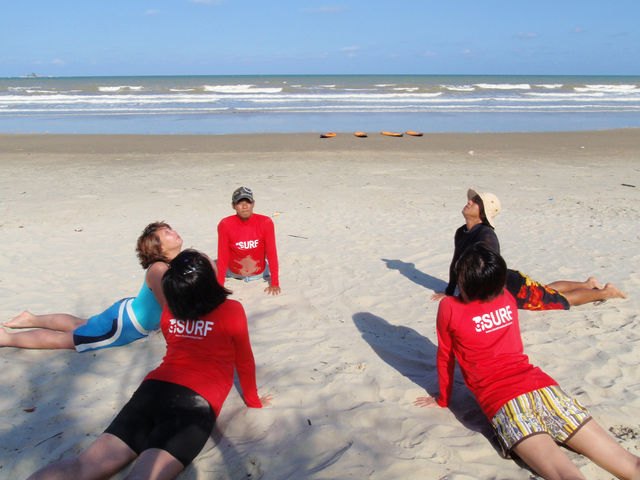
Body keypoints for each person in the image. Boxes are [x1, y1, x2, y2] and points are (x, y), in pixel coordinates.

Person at [28, 249, 271, 480]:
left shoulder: (170, 311)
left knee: (83, 466)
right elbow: (245, 361)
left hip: (152, 390)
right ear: (210, 280)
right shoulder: (232, 310)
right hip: (194, 404)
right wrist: (253, 400)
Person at [416, 244, 640, 480]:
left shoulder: (449, 307)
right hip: (543, 388)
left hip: (505, 402)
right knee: (630, 464)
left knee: (566, 475)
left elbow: (446, 356)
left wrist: (443, 399)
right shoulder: (507, 297)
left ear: (465, 280)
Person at [431, 188, 626, 310]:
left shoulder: (486, 235)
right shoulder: (462, 232)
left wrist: (486, 300)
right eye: (472, 199)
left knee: (560, 301)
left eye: (476, 202)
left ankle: (606, 292)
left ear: (482, 213)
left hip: (507, 286)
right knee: (546, 291)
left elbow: (491, 269)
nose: (470, 201)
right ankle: (587, 283)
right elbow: (456, 262)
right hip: (508, 280)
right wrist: (449, 291)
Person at [1, 222, 183, 351]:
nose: (173, 232)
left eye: (170, 229)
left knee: (80, 324)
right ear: (158, 248)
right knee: (64, 340)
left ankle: (31, 319)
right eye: (166, 233)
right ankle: (6, 338)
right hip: (124, 326)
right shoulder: (158, 269)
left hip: (126, 312)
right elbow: (169, 309)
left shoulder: (172, 264)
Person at [217, 186, 281, 295]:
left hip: (260, 274)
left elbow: (271, 253)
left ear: (253, 203)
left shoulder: (266, 222)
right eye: (240, 202)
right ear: (233, 206)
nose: (245, 206)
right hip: (233, 273)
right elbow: (223, 255)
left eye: (248, 202)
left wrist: (275, 283)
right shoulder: (225, 224)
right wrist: (220, 285)